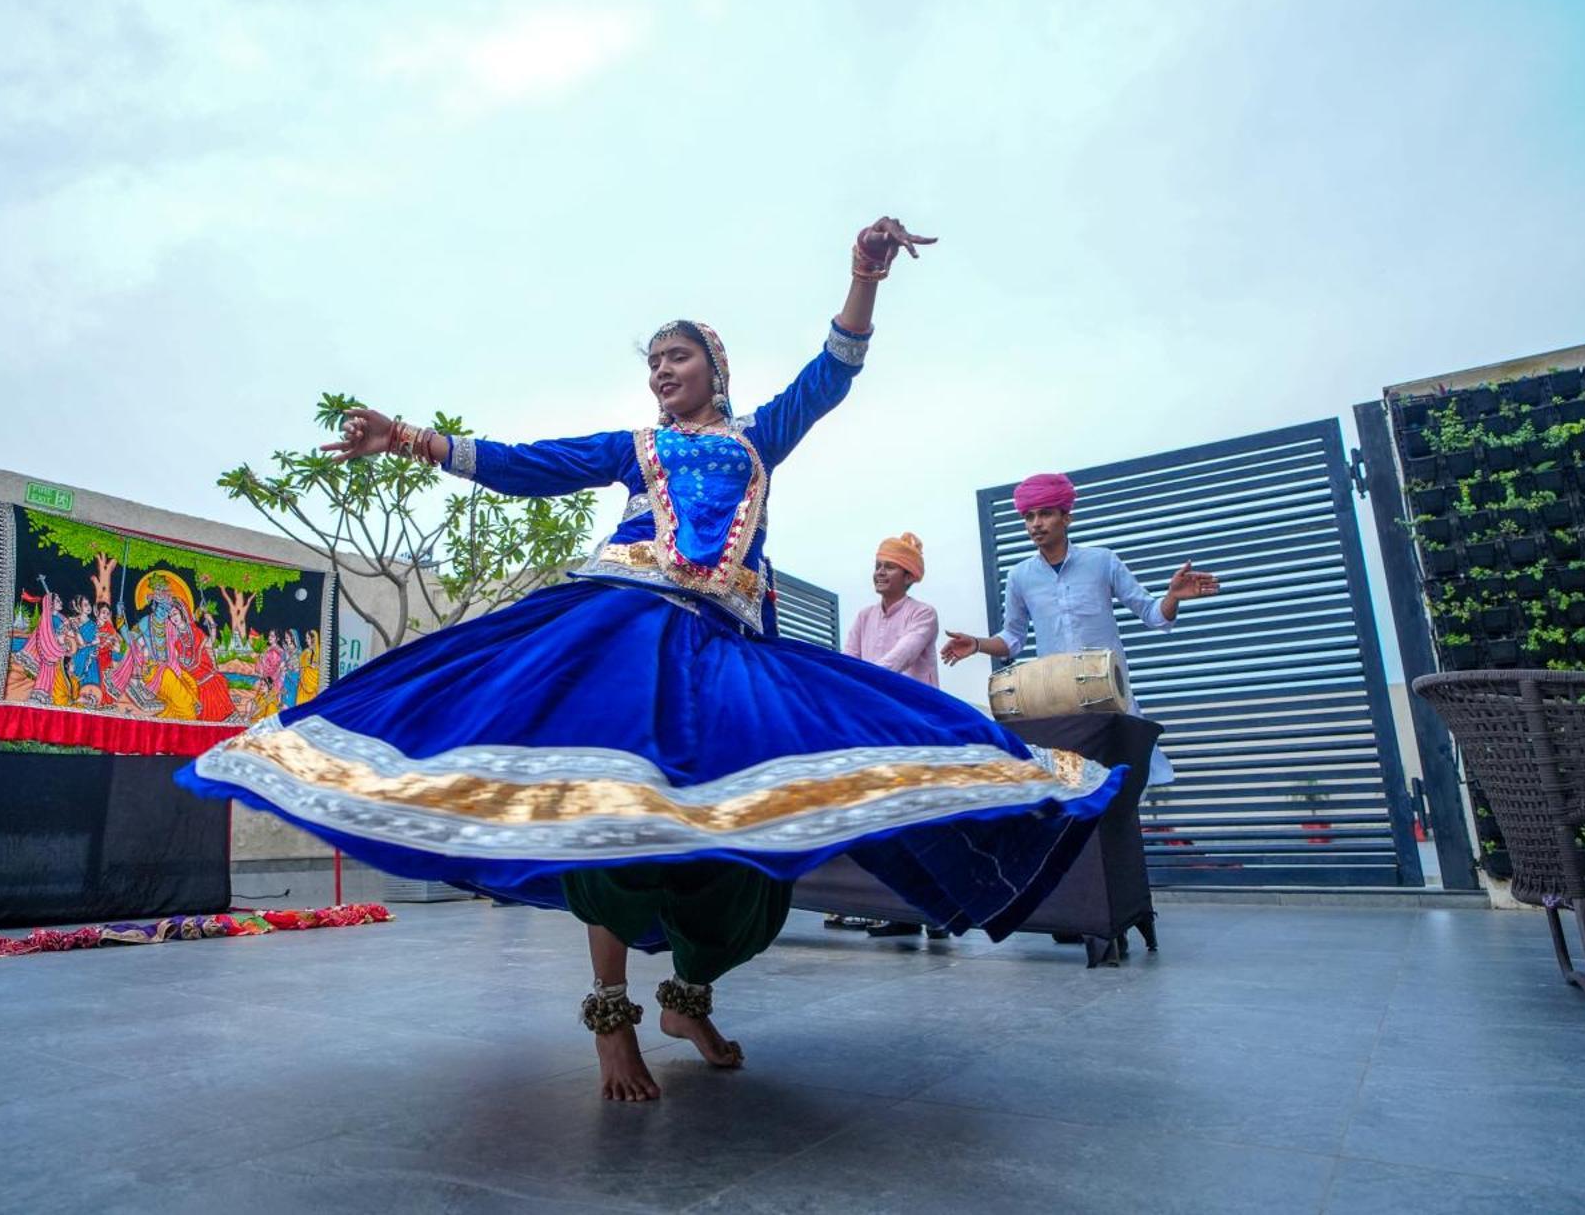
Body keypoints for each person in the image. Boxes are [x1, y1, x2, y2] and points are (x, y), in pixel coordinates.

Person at [176, 219, 1123, 1105]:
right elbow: (529, 461)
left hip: (727, 650)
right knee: (612, 809)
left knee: (750, 840)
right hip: (625, 630)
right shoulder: (638, 446)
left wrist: (862, 277)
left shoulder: (759, 438)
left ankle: (689, 995)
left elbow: (830, 374)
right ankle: (610, 1017)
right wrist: (411, 441)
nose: (662, 372)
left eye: (678, 357)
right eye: (655, 363)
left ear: (716, 367)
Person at [938, 471, 1220, 789]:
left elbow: (1154, 616)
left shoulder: (1103, 561)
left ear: (1066, 517)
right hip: (1059, 705)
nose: (1036, 524)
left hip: (1111, 700)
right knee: (1075, 791)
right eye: (1028, 516)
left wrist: (1171, 597)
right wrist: (976, 644)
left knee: (1123, 791)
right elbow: (1013, 639)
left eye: (1045, 513)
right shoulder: (1019, 576)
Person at [832, 532, 951, 940]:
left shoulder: (923, 614)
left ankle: (938, 914)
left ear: (909, 575)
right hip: (875, 726)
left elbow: (899, 656)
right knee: (889, 817)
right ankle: (900, 912)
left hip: (914, 726)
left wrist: (861, 684)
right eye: (878, 565)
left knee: (922, 818)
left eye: (888, 566)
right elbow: (847, 661)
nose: (879, 572)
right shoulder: (864, 616)